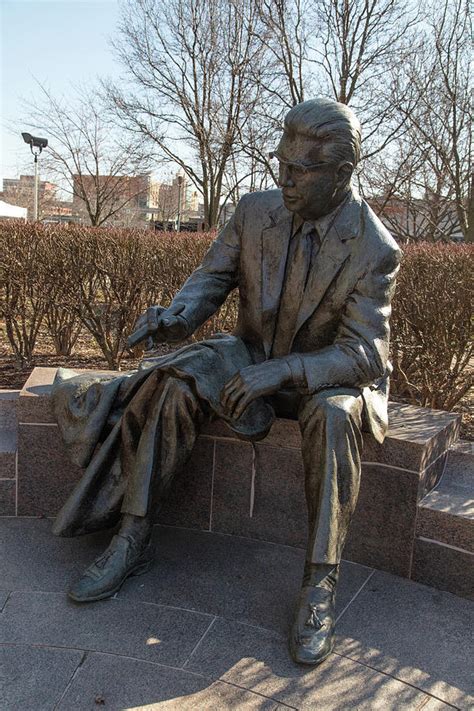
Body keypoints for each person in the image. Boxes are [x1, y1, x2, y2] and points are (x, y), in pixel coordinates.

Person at [52, 97, 401, 667]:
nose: (284, 179)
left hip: (323, 375)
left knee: (336, 416)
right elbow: (210, 279)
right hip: (252, 357)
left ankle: (320, 583)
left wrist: (284, 372)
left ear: (342, 175)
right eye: (280, 164)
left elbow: (365, 353)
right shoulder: (254, 212)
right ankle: (132, 536)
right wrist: (176, 316)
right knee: (176, 380)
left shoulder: (375, 247)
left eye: (301, 170)